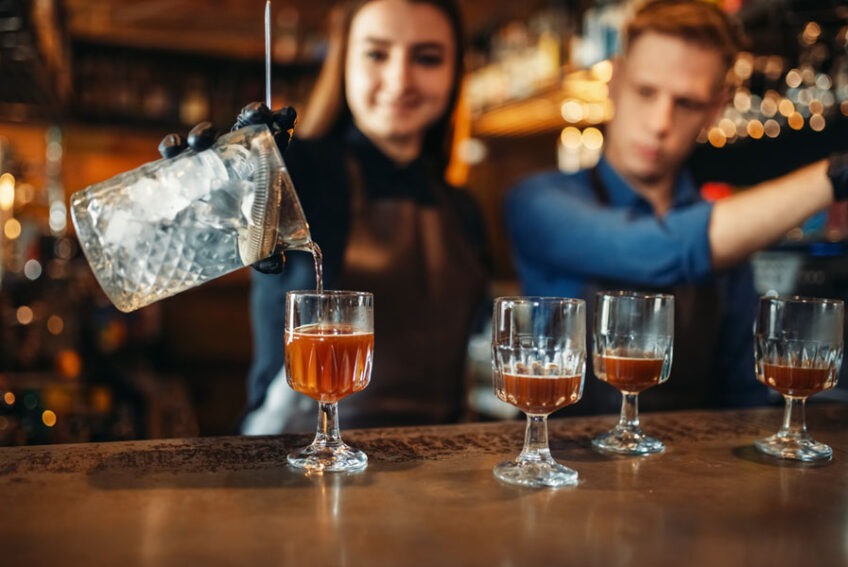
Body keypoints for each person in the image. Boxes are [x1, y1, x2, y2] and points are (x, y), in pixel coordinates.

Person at [505, 0, 848, 415]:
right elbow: (659, 250)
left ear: (715, 109)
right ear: (613, 82)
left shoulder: (729, 233)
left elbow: (742, 397)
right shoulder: (539, 201)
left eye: (685, 103)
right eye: (645, 91)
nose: (660, 122)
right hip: (562, 469)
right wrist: (834, 176)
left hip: (687, 474)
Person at [239, 0, 489, 432]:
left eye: (427, 58)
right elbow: (189, 225)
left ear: (455, 73)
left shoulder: (463, 207)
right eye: (376, 54)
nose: (400, 79)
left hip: (435, 463)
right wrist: (210, 178)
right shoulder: (295, 173)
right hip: (297, 455)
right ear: (344, 64)